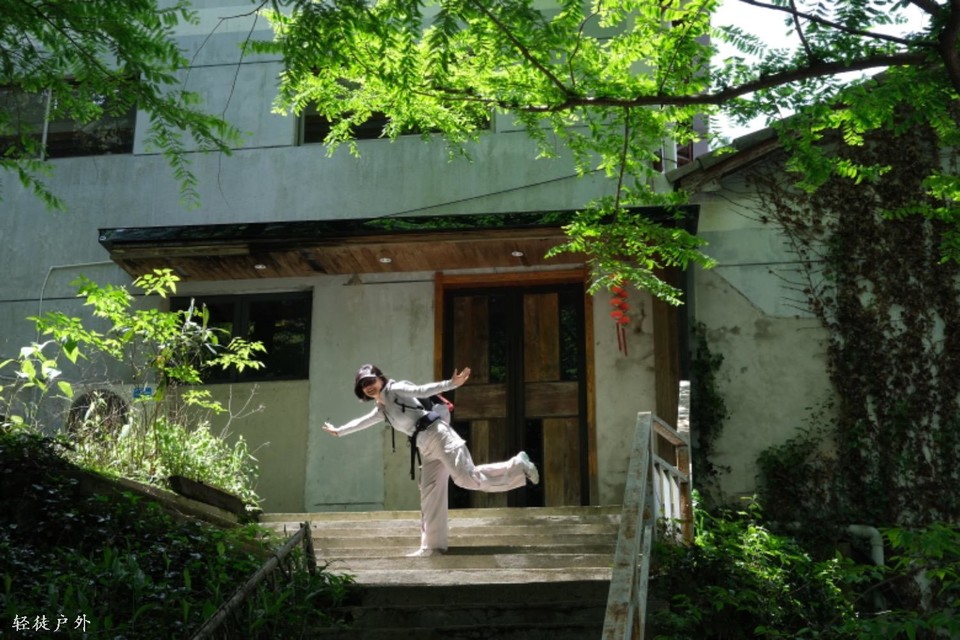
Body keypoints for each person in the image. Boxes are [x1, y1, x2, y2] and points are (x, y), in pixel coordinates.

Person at [322, 364, 540, 557]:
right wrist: (339, 431)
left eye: (371, 380)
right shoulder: (382, 408)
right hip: (426, 446)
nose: (368, 386)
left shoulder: (395, 389)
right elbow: (363, 422)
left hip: (439, 436)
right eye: (363, 384)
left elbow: (421, 390)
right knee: (430, 492)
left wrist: (450, 384)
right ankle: (432, 547)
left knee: (467, 478)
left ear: (380, 378)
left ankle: (518, 465)